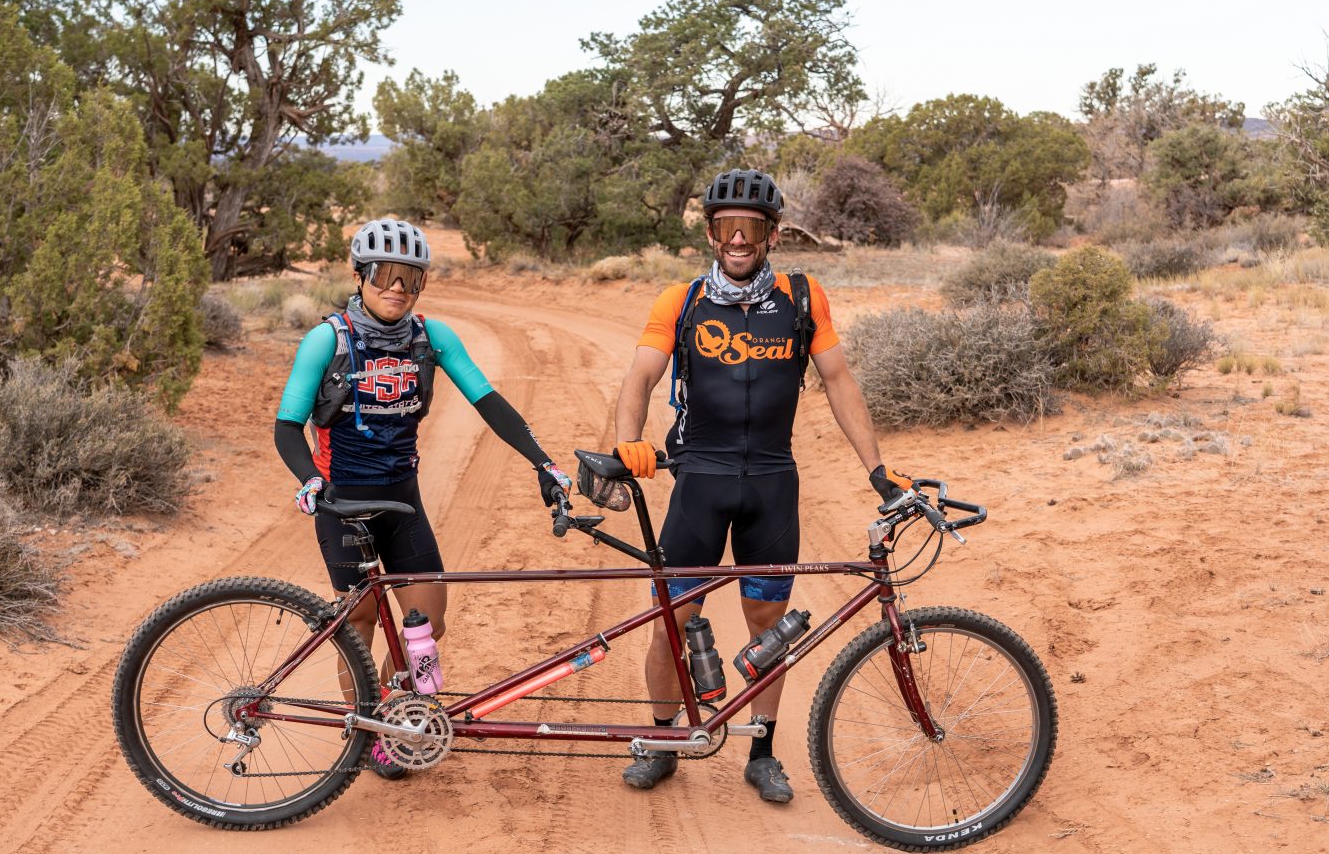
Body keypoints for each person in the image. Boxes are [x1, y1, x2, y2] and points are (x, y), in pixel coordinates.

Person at [611, 168, 912, 803]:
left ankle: (762, 752)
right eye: (727, 227)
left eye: (751, 227)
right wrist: (628, 438)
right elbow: (639, 377)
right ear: (711, 234)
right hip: (700, 480)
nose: (738, 239)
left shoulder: (802, 297)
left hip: (773, 483)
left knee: (768, 625)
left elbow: (838, 381)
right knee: (671, 620)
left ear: (773, 234)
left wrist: (877, 468)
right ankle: (663, 742)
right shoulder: (682, 301)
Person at [274, 217, 572, 779]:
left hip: (402, 500)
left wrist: (543, 461)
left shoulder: (430, 338)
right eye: (384, 274)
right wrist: (309, 480)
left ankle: (396, 712)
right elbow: (288, 425)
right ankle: (368, 732)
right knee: (360, 623)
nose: (396, 288)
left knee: (428, 622)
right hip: (343, 503)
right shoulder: (327, 340)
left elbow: (488, 401)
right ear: (360, 275)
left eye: (410, 279)